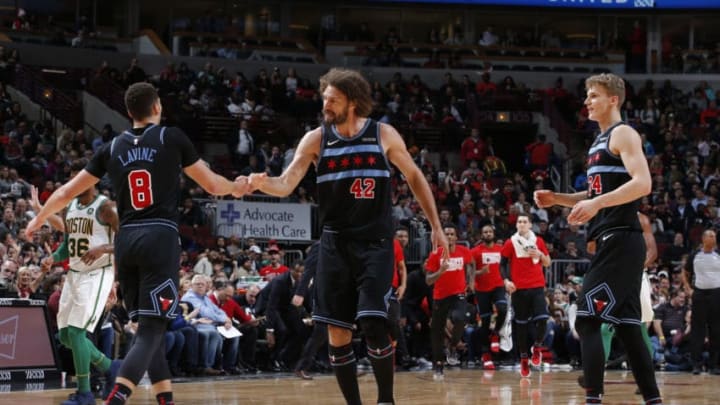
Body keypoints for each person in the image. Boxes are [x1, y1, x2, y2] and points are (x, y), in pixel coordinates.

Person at [26, 82, 250, 405]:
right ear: (157, 106)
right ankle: (116, 399)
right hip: (159, 237)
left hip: (127, 241)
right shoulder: (170, 137)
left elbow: (65, 192)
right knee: (150, 332)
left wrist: (38, 217)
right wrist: (237, 188)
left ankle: (165, 401)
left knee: (151, 332)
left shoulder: (113, 146)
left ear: (129, 112)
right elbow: (213, 184)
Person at [248, 68, 448, 405]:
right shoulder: (315, 139)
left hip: (375, 243)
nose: (325, 105)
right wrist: (259, 182)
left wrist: (436, 226)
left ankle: (386, 400)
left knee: (373, 323)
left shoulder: (383, 134)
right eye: (325, 98)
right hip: (334, 243)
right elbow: (285, 183)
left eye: (333, 100)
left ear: (353, 103)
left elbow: (414, 177)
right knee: (337, 333)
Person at [534, 73, 662, 405]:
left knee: (588, 319)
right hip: (614, 240)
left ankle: (593, 398)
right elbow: (594, 193)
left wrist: (597, 203)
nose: (587, 101)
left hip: (621, 239)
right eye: (587, 96)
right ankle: (653, 399)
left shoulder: (623, 134)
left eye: (593, 95)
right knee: (629, 327)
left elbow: (643, 183)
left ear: (613, 100)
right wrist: (558, 199)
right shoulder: (599, 142)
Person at [42, 159, 120, 405]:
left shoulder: (106, 207)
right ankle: (110, 367)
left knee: (77, 332)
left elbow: (129, 239)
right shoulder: (70, 207)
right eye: (73, 179)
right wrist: (52, 259)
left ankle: (85, 393)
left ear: (94, 179)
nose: (75, 183)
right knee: (65, 336)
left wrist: (104, 248)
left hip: (97, 274)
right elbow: (68, 245)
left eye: (81, 178)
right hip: (74, 275)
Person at [500, 213, 551, 378]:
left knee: (543, 319)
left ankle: (536, 347)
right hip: (519, 289)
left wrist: (541, 256)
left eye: (524, 221)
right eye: (519, 221)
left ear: (530, 225)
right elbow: (502, 264)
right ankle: (523, 358)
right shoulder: (510, 242)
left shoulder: (539, 241)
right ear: (516, 225)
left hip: (537, 286)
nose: (521, 224)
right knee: (521, 326)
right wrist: (506, 281)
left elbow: (548, 262)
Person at [424, 223, 473, 380]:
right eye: (446, 234)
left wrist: (471, 281)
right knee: (436, 331)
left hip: (458, 294)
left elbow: (471, 263)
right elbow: (428, 281)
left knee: (460, 318)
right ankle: (438, 365)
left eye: (452, 234)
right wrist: (440, 271)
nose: (449, 237)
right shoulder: (435, 254)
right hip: (440, 296)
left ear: (456, 237)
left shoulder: (464, 251)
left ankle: (452, 346)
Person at [470, 224, 507, 370]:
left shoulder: (501, 249)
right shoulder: (474, 252)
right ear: (481, 235)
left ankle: (496, 333)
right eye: (485, 232)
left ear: (494, 233)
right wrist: (480, 272)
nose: (488, 234)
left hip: (498, 286)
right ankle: (486, 355)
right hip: (482, 289)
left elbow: (506, 266)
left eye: (490, 231)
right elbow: (470, 274)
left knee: (503, 309)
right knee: (484, 323)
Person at [685, 229, 720, 374]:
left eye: (714, 236)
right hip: (699, 294)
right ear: (704, 238)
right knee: (697, 330)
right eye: (711, 235)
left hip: (717, 294)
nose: (714, 238)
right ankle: (696, 365)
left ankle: (714, 365)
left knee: (716, 330)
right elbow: (685, 272)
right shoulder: (694, 255)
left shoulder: (718, 255)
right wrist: (688, 289)